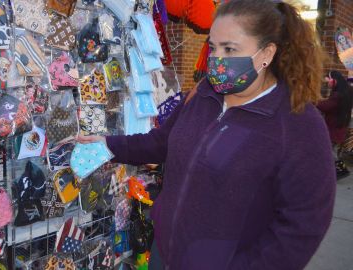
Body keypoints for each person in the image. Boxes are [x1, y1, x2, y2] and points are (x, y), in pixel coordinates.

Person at [78, 0, 336, 269]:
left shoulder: (298, 125)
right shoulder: (203, 95)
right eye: (213, 47)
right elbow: (161, 142)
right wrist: (108, 145)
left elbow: (303, 225)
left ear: (266, 54)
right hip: (164, 254)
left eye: (230, 49)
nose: (216, 59)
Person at [317, 70, 353, 179]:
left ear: (334, 80)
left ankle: (341, 170)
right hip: (339, 127)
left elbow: (326, 107)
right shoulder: (346, 92)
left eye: (328, 79)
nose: (327, 81)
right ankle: (337, 169)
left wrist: (314, 101)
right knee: (330, 149)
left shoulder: (338, 95)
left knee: (329, 150)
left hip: (333, 128)